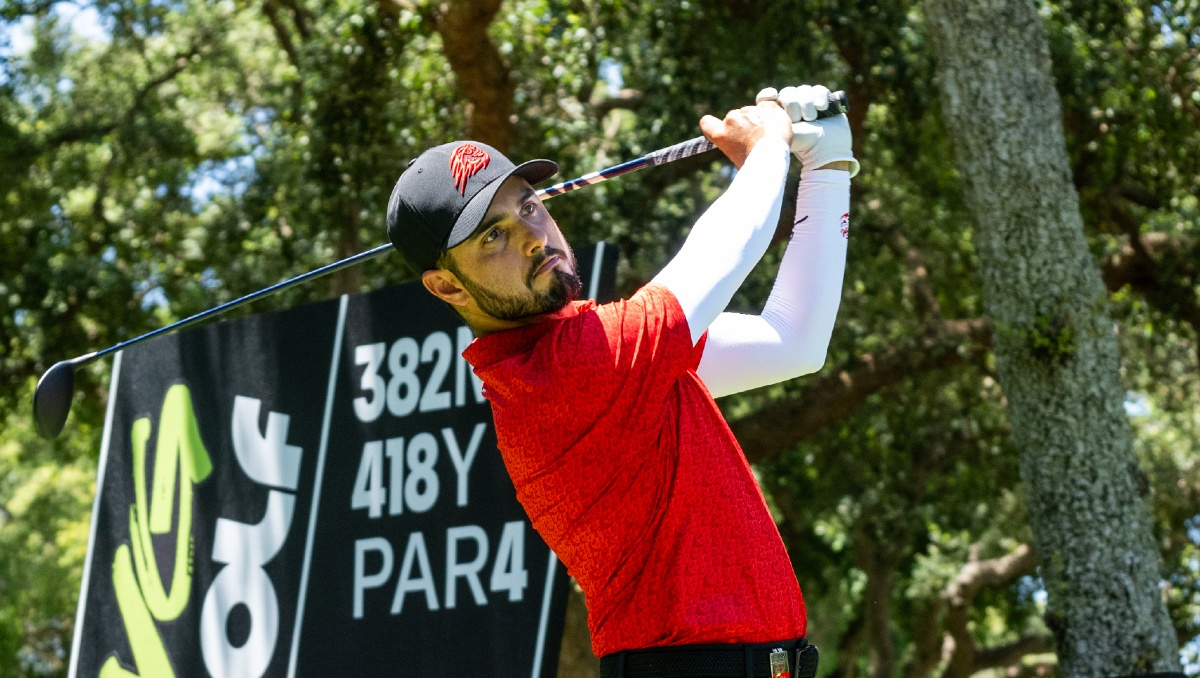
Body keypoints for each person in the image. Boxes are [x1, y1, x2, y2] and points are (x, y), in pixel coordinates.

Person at [386, 84, 856, 678]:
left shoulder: (611, 354)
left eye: (529, 207)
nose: (533, 235)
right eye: (493, 236)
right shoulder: (564, 374)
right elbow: (719, 257)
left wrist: (829, 169)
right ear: (447, 286)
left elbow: (793, 340)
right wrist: (767, 149)